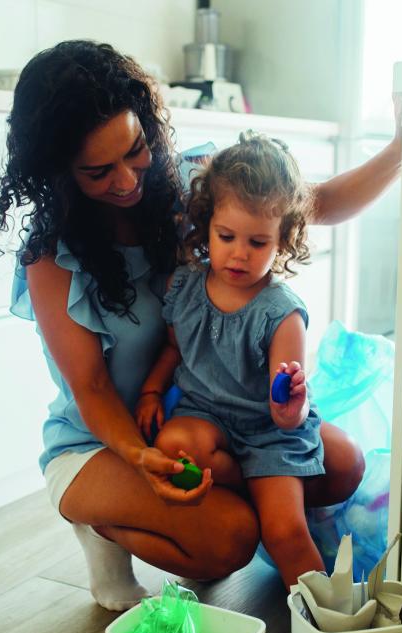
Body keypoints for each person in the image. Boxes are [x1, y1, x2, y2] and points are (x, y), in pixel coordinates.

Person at [0, 40, 402, 611]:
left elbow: (316, 203)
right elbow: (90, 388)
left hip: (205, 413)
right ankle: (99, 519)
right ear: (59, 172)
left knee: (341, 465)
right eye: (97, 171)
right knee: (231, 537)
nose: (127, 179)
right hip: (101, 442)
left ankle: (235, 517)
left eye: (135, 150)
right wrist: (140, 458)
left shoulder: (193, 184)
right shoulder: (50, 257)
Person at [138, 131, 330, 589]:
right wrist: (150, 390)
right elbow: (173, 346)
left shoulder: (282, 313)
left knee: (284, 531)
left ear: (283, 241)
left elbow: (288, 409)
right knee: (172, 445)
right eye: (227, 237)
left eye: (258, 243)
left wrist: (291, 409)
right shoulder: (184, 286)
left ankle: (331, 625)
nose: (239, 253)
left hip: (267, 432)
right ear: (206, 225)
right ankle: (249, 484)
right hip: (205, 414)